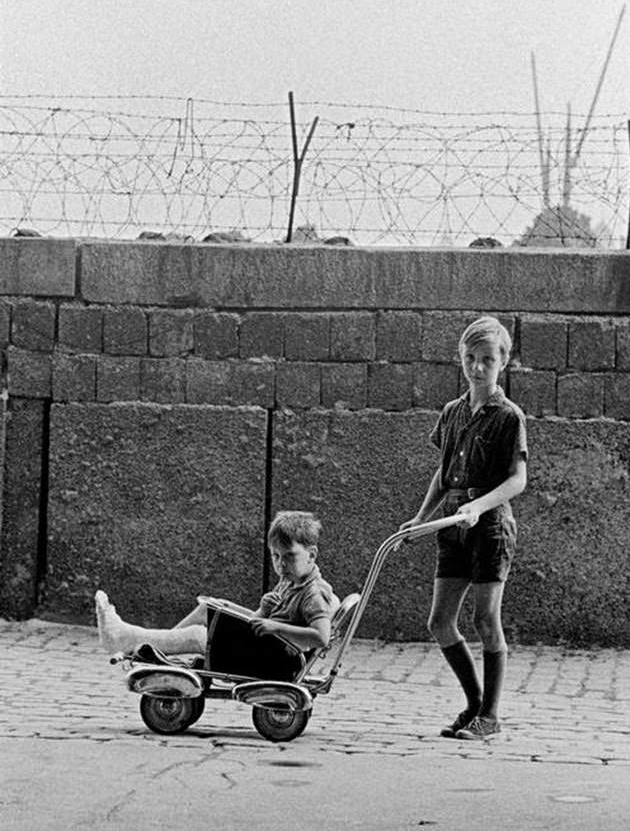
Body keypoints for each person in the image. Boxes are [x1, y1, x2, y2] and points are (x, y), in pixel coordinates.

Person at [401, 316, 527, 741]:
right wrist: (421, 518)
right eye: (470, 359)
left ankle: (490, 716)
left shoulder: (509, 416)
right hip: (451, 524)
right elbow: (443, 472)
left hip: (490, 527)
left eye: (487, 360)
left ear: (503, 362)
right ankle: (473, 705)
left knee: (485, 619)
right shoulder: (453, 412)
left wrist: (479, 505)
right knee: (440, 621)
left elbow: (517, 479)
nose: (477, 367)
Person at [95, 510, 340, 658]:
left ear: (311, 555)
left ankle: (130, 640)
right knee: (210, 607)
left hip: (268, 654)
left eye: (289, 556)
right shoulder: (292, 582)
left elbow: (321, 637)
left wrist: (275, 628)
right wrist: (264, 610)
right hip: (263, 643)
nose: (281, 564)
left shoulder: (312, 594)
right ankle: (160, 648)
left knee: (197, 637)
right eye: (275, 557)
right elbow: (260, 620)